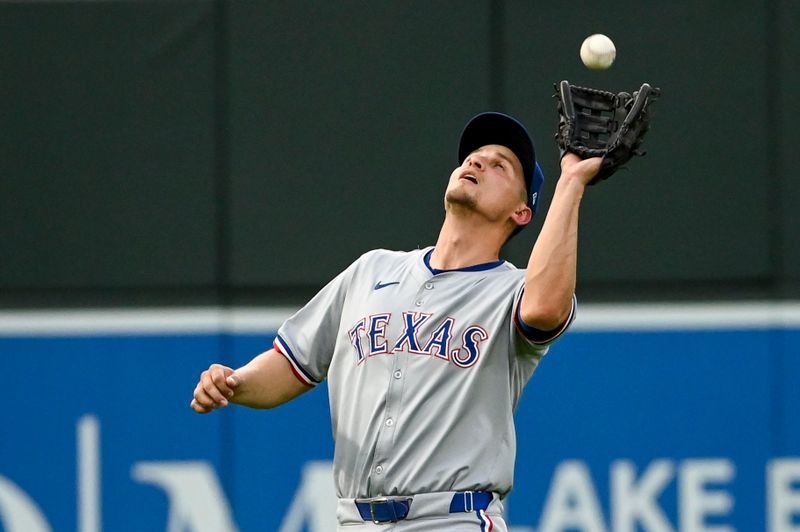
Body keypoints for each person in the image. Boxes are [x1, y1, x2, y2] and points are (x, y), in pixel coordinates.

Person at [191, 112, 602, 531]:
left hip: (450, 518)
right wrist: (235, 384)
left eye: (500, 165)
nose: (477, 162)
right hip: (354, 520)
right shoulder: (371, 270)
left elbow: (544, 310)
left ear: (521, 211)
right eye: (474, 156)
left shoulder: (511, 291)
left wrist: (571, 181)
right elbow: (292, 364)